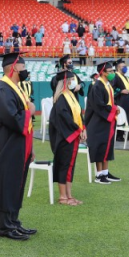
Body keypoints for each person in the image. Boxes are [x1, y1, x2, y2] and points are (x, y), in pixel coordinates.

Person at [0, 52, 37, 240]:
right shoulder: (2, 91)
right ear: (14, 67)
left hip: (18, 145)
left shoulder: (15, 88)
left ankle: (14, 222)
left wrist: (29, 148)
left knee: (16, 184)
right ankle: (5, 226)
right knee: (7, 184)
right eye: (23, 67)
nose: (25, 71)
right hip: (5, 146)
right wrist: (29, 110)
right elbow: (13, 119)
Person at [48, 70, 85, 205]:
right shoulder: (61, 98)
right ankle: (63, 197)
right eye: (70, 80)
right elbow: (65, 118)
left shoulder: (71, 96)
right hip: (65, 137)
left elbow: (78, 114)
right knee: (64, 165)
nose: (72, 82)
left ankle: (70, 195)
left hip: (73, 135)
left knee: (70, 166)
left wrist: (83, 128)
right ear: (64, 82)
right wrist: (78, 129)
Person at [86, 61, 122, 185]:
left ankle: (105, 172)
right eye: (110, 71)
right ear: (103, 72)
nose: (113, 73)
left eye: (113, 71)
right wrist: (113, 109)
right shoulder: (97, 86)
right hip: (98, 121)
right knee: (100, 146)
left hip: (108, 120)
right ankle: (99, 175)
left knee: (107, 146)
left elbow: (109, 102)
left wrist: (114, 107)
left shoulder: (107, 84)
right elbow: (99, 105)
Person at [111, 59, 129, 141]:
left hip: (128, 100)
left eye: (125, 66)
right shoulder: (115, 76)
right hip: (120, 100)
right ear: (118, 68)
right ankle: (119, 135)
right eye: (123, 66)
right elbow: (112, 88)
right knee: (121, 117)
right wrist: (120, 91)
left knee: (128, 117)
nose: (125, 68)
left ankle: (128, 135)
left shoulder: (126, 77)